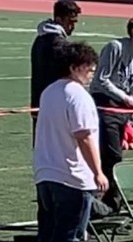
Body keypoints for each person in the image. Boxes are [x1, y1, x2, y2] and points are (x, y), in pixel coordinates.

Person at [28, 42, 108, 242]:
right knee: (68, 233)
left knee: (48, 231)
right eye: (88, 67)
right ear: (74, 68)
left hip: (45, 172)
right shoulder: (78, 95)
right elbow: (83, 135)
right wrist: (98, 171)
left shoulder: (48, 92)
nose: (92, 71)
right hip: (71, 176)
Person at [90, 13, 133, 211]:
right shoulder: (116, 48)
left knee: (114, 155)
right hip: (104, 104)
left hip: (122, 109)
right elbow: (100, 80)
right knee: (111, 156)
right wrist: (124, 97)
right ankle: (109, 203)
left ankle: (107, 203)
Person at [30, 0, 82, 144]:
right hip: (53, 106)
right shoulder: (58, 44)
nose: (72, 26)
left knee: (41, 149)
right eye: (70, 21)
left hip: (39, 102)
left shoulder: (39, 40)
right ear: (59, 19)